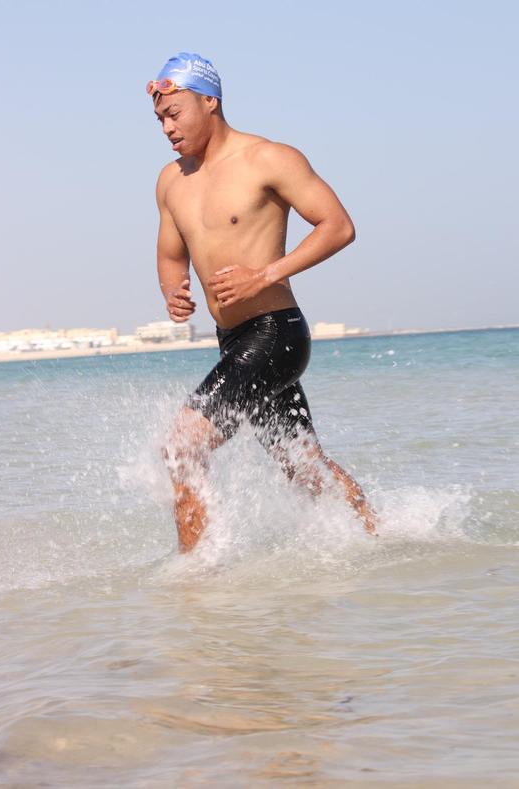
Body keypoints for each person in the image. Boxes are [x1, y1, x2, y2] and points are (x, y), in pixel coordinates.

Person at [147, 52, 377, 552]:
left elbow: (339, 226)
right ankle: (376, 538)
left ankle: (195, 572)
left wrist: (264, 276)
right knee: (302, 465)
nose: (167, 128)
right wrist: (173, 289)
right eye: (160, 119)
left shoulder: (269, 159)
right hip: (232, 340)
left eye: (174, 114)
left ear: (209, 101)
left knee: (181, 446)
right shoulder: (171, 180)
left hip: (276, 332)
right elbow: (170, 254)